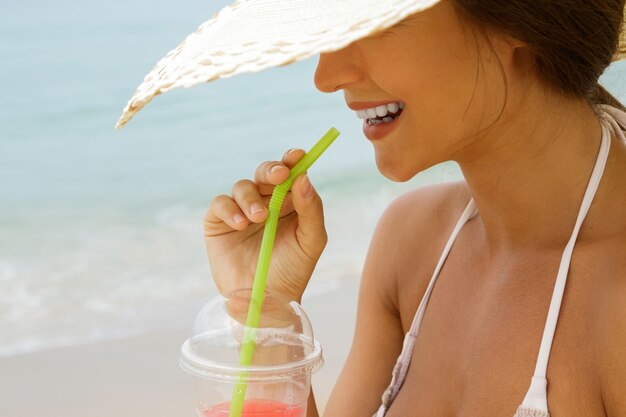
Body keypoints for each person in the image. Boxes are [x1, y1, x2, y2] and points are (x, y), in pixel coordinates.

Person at [117, 0, 626, 415]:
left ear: (520, 19)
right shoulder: (411, 243)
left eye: (378, 22)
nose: (327, 74)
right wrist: (267, 317)